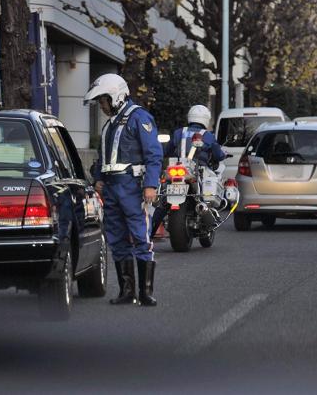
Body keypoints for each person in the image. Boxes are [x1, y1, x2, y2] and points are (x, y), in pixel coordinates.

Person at [84, 74, 163, 307]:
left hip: (132, 187)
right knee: (117, 239)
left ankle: (145, 293)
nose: (102, 106)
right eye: (100, 102)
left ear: (116, 96)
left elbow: (153, 154)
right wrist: (98, 178)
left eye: (103, 101)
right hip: (111, 188)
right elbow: (102, 159)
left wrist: (150, 185)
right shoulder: (110, 125)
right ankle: (127, 292)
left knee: (140, 236)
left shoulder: (139, 118)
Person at [151, 105, 226, 239]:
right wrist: (222, 155)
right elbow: (218, 155)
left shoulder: (179, 132)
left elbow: (167, 151)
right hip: (198, 170)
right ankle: (206, 213)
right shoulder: (207, 135)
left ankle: (149, 233)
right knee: (205, 194)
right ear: (206, 119)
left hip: (177, 168)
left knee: (163, 201)